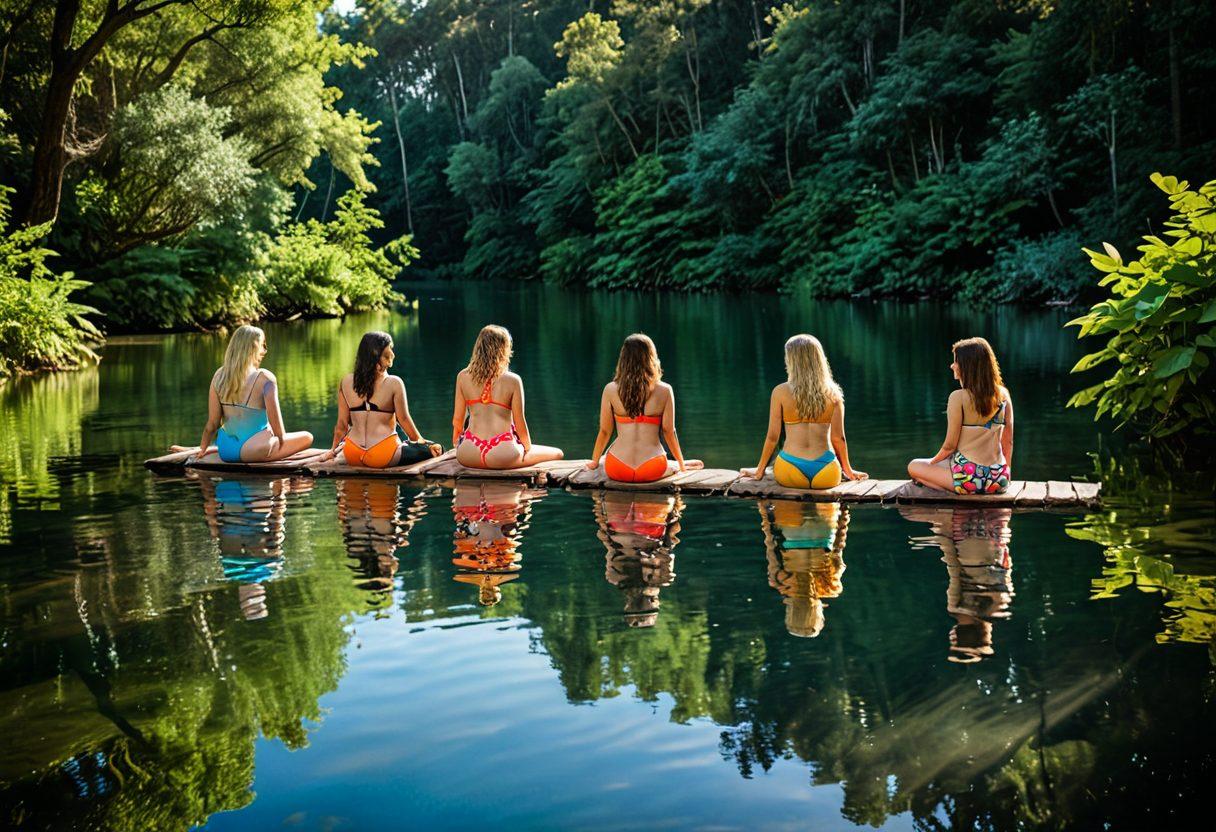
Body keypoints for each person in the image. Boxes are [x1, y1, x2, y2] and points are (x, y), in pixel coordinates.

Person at [741, 334, 865, 488]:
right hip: (826, 471)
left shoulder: (780, 392)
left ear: (791, 360)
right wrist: (848, 471)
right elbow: (838, 439)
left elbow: (773, 438)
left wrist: (760, 471)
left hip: (790, 468)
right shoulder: (834, 394)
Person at [585, 333, 702, 483]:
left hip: (618, 467)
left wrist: (594, 462)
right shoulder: (665, 390)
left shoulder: (610, 390)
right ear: (651, 357)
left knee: (604, 459)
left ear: (623, 359)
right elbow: (669, 431)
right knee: (687, 465)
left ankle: (601, 461)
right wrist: (681, 464)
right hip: (651, 468)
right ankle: (676, 465)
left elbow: (605, 431)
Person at [908, 337, 1014, 494]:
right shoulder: (1003, 394)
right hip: (998, 479)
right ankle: (965, 486)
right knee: (946, 464)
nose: (952, 365)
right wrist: (1007, 474)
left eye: (956, 361)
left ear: (967, 366)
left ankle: (955, 489)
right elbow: (1008, 441)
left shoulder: (957, 397)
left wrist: (931, 463)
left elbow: (949, 447)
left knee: (914, 466)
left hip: (968, 479)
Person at [193, 325, 313, 464]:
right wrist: (278, 443)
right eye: (263, 345)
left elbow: (212, 424)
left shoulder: (219, 375)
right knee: (307, 437)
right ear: (253, 347)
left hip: (225, 449)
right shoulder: (265, 378)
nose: (264, 351)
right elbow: (279, 431)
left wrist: (203, 448)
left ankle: (211, 449)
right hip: (251, 450)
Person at [322, 331, 441, 468]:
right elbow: (403, 419)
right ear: (378, 354)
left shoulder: (346, 382)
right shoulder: (394, 383)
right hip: (382, 454)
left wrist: (333, 450)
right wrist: (422, 443)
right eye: (390, 348)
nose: (393, 354)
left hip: (353, 453)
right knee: (437, 449)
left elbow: (341, 425)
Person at [451, 325, 563, 469]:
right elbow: (520, 422)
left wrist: (457, 444)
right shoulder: (513, 380)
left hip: (469, 452)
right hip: (502, 453)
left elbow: (457, 420)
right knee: (558, 453)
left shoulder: (462, 376)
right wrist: (527, 449)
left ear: (478, 347)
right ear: (504, 350)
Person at [758, 500, 848, 638]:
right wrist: (766, 509)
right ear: (790, 615)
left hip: (823, 533)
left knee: (823, 501)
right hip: (792, 533)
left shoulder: (831, 587)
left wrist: (843, 510)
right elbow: (771, 543)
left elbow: (838, 548)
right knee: (788, 500)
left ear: (818, 616)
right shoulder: (780, 583)